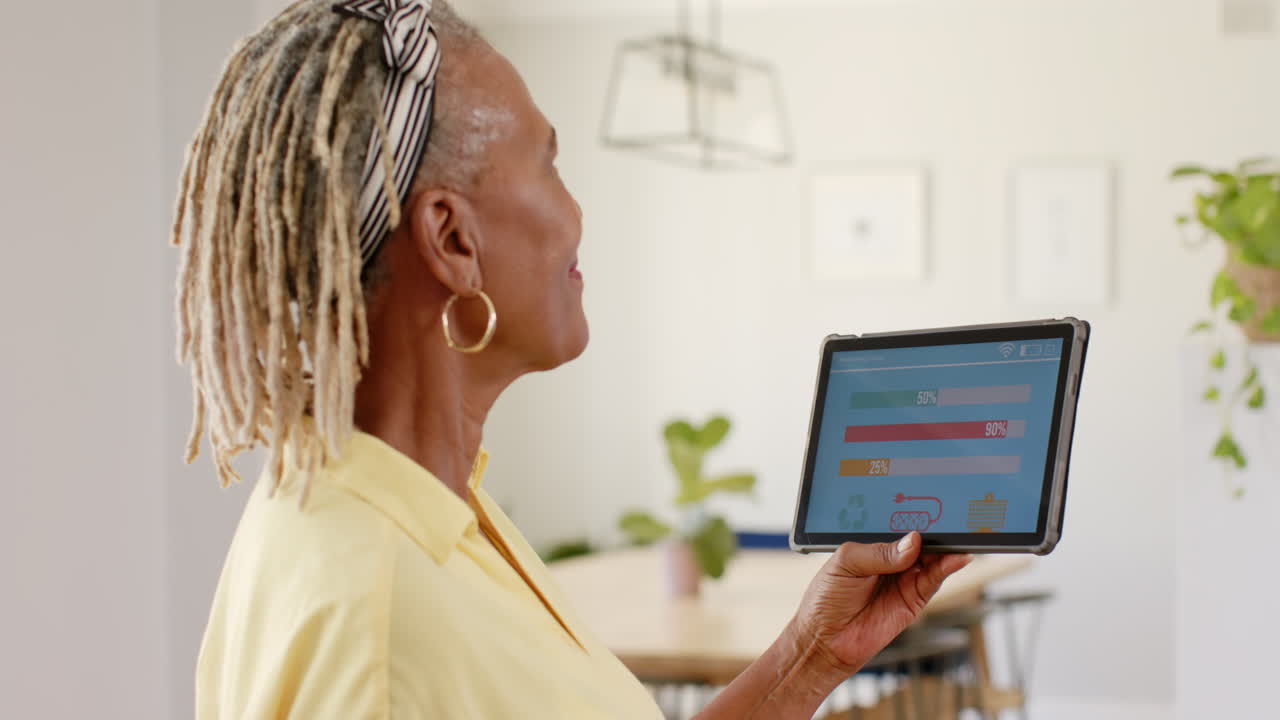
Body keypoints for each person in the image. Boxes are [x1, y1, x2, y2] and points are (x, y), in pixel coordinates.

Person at [173, 1, 971, 717]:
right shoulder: (380, 625)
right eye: (549, 165)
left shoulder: (431, 516)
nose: (576, 214)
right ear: (453, 241)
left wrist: (811, 655)